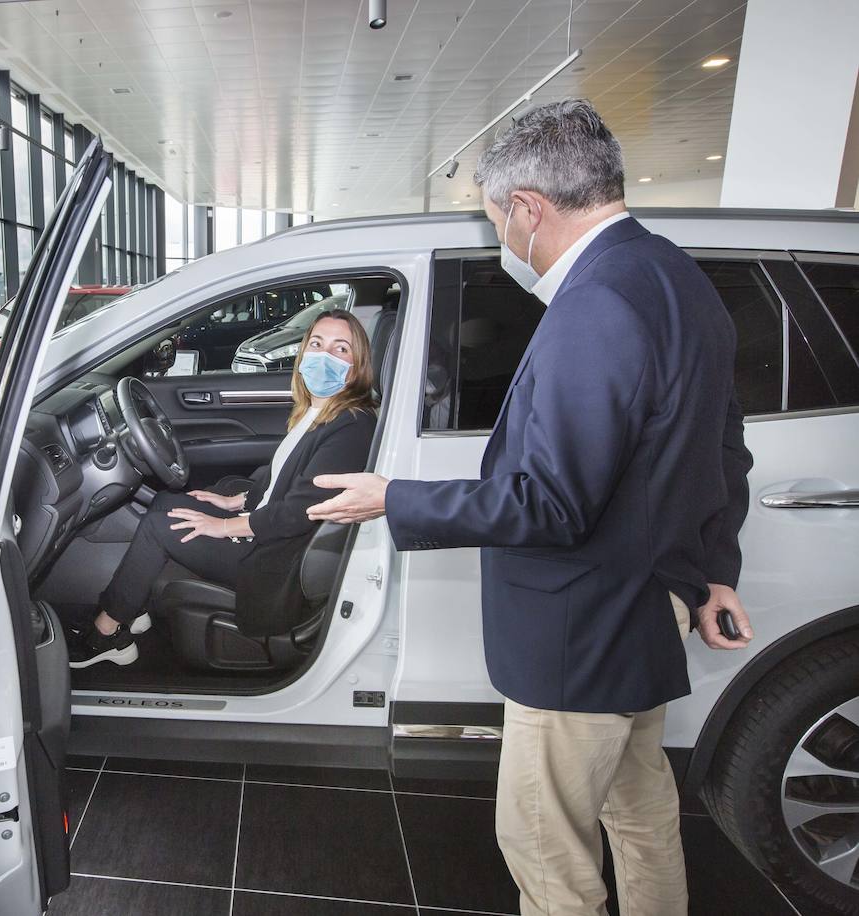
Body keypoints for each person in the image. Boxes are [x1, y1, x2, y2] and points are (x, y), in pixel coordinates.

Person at [306, 99, 756, 916]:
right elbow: (721, 446)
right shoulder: (675, 276)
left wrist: (394, 498)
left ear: (526, 209)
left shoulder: (597, 304)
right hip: (643, 611)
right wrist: (712, 571)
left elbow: (551, 505)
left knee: (547, 850)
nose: (504, 241)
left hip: (581, 632)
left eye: (496, 221)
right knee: (641, 813)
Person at [69, 309, 378, 668]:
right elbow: (284, 479)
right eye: (316, 344)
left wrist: (224, 525)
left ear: (357, 365)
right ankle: (127, 607)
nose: (324, 356)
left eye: (341, 349)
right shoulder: (318, 411)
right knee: (169, 502)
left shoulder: (352, 425)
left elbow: (299, 512)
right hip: (268, 531)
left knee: (160, 526)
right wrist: (236, 500)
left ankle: (106, 635)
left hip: (276, 561)